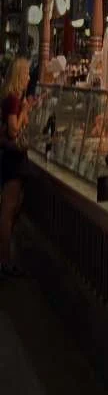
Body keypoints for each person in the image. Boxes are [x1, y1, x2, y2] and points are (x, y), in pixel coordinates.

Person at [1, 56, 31, 277]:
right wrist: (25, 110)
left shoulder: (13, 98)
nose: (30, 77)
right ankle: (4, 260)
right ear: (19, 76)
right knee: (8, 210)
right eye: (27, 73)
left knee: (13, 207)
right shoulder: (13, 99)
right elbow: (13, 131)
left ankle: (6, 256)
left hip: (12, 159)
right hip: (12, 160)